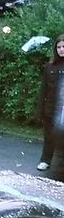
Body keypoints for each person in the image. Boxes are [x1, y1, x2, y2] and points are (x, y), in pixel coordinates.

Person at [35, 33, 64, 171]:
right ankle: (45, 160)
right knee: (49, 136)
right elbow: (43, 91)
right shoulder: (49, 67)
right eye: (59, 47)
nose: (61, 49)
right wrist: (40, 110)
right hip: (51, 109)